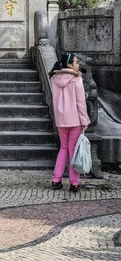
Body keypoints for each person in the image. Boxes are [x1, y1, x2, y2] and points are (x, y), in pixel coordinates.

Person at [50, 53, 90, 192]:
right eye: (76, 62)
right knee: (74, 150)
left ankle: (56, 180)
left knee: (63, 148)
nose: (78, 65)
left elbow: (57, 98)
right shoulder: (76, 78)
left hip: (61, 120)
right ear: (69, 65)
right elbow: (80, 102)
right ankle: (74, 182)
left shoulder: (54, 78)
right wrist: (85, 120)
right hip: (74, 120)